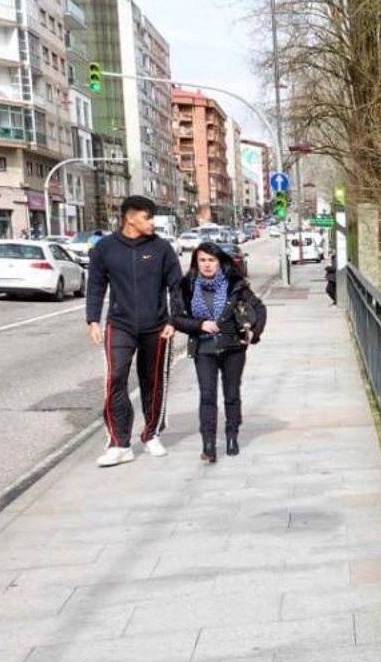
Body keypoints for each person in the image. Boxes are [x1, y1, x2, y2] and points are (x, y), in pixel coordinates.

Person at [86, 195, 181, 467]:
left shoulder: (162, 248)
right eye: (147, 217)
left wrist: (173, 320)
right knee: (115, 378)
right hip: (120, 324)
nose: (152, 222)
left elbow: (176, 287)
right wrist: (93, 320)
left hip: (157, 326)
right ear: (129, 217)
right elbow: (95, 286)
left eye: (152, 217)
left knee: (153, 381)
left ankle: (151, 434)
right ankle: (119, 444)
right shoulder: (105, 248)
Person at [169, 241, 266, 462]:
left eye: (211, 260)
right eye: (202, 260)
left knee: (231, 394)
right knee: (207, 396)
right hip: (203, 349)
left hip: (233, 347)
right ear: (196, 263)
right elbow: (175, 317)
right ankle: (208, 443)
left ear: (220, 262)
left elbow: (259, 308)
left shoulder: (235, 284)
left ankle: (232, 435)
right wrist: (199, 325)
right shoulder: (186, 286)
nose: (207, 265)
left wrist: (254, 333)